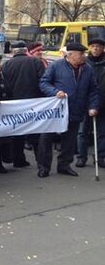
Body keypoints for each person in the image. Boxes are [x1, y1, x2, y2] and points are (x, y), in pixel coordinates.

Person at [36, 43, 99, 178]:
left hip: (76, 108)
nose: (84, 56)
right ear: (70, 55)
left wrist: (93, 106)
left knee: (69, 140)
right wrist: (55, 91)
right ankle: (44, 167)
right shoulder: (56, 66)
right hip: (55, 110)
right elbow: (43, 83)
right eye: (80, 54)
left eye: (83, 54)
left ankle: (64, 165)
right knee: (46, 138)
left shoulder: (87, 69)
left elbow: (93, 90)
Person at [2, 41, 46, 168]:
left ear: (13, 52)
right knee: (36, 134)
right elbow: (42, 81)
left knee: (18, 133)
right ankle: (41, 162)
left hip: (15, 104)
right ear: (25, 50)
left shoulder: (7, 65)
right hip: (35, 103)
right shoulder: (36, 62)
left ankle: (18, 160)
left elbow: (6, 85)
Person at [77, 38, 105, 167]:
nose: (95, 49)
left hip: (102, 102)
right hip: (84, 103)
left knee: (102, 132)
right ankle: (81, 157)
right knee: (82, 132)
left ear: (102, 48)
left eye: (98, 46)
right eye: (93, 46)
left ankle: (100, 157)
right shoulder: (83, 63)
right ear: (89, 48)